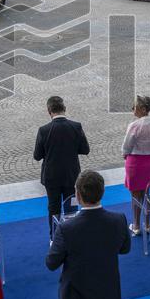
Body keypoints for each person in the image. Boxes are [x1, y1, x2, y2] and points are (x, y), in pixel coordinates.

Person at [46, 171, 131, 299]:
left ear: (78, 195)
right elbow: (125, 249)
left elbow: (51, 263)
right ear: (102, 193)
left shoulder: (67, 228)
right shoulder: (118, 220)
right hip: (107, 295)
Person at [33, 95, 90, 238]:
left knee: (53, 208)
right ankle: (72, 235)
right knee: (71, 206)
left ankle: (55, 237)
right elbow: (85, 150)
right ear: (64, 109)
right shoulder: (76, 126)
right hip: (71, 175)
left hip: (51, 177)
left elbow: (37, 155)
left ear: (49, 111)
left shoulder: (44, 130)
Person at [121, 95, 150, 236]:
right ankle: (148, 224)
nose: (133, 108)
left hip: (135, 163)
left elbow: (127, 146)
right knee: (147, 194)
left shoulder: (134, 125)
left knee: (135, 195)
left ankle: (136, 225)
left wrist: (124, 154)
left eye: (135, 106)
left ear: (143, 109)